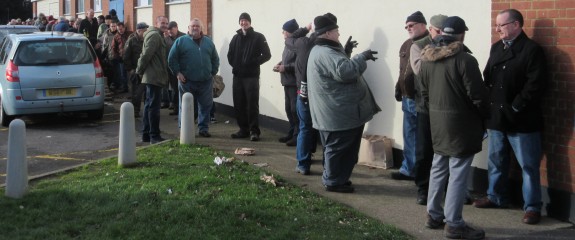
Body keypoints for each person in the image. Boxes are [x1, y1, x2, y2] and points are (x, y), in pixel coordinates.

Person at [473, 9, 548, 225]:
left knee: (528, 165)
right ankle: (496, 196)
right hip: (496, 117)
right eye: (496, 25)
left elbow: (536, 84)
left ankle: (532, 207)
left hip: (522, 120)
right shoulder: (497, 47)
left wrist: (516, 106)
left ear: (516, 25)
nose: (497, 29)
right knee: (496, 161)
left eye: (501, 25)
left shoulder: (532, 50)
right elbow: (488, 77)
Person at [419, 16, 488, 239]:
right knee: (458, 173)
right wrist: (485, 119)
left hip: (438, 123)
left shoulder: (427, 59)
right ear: (462, 34)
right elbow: (478, 96)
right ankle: (454, 223)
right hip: (462, 125)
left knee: (438, 167)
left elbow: (424, 94)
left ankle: (433, 215)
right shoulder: (465, 60)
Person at [307, 14, 380, 193]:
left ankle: (337, 178)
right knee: (338, 149)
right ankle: (333, 181)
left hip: (337, 113)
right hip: (338, 115)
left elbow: (336, 68)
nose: (339, 34)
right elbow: (345, 72)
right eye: (336, 31)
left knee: (339, 150)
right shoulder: (325, 52)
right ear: (328, 33)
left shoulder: (324, 50)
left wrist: (346, 52)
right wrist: (361, 57)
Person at [410, 14, 448, 205]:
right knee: (424, 150)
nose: (441, 35)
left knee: (448, 149)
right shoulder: (418, 46)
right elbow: (420, 71)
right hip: (426, 106)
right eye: (438, 31)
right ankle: (423, 189)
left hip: (447, 106)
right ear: (430, 29)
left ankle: (449, 189)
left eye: (444, 31)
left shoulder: (451, 43)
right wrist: (441, 54)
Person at [392, 11, 430, 181]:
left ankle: (421, 172)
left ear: (423, 25)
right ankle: (409, 169)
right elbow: (403, 70)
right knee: (408, 135)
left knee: (422, 138)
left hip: (421, 99)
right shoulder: (406, 44)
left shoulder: (430, 44)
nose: (408, 28)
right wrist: (398, 87)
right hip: (407, 97)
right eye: (406, 26)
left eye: (411, 25)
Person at [168, 18, 220, 138]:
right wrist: (177, 73)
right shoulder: (181, 41)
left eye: (197, 26)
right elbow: (171, 59)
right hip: (187, 81)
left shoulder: (208, 42)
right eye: (192, 26)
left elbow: (215, 59)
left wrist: (212, 72)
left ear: (201, 28)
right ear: (188, 28)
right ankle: (184, 129)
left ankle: (203, 129)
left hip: (205, 81)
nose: (195, 28)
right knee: (185, 106)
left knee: (206, 106)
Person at [227, 12, 272, 141]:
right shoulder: (235, 38)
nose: (243, 22)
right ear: (239, 22)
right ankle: (243, 130)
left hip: (251, 77)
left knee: (252, 104)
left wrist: (253, 63)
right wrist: (236, 65)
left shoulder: (258, 37)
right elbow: (230, 55)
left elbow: (267, 55)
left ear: (250, 22)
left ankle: (254, 131)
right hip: (238, 77)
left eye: (246, 20)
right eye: (241, 20)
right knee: (239, 104)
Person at [136, 16, 169, 144]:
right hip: (153, 77)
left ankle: (146, 134)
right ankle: (154, 136)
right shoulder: (155, 35)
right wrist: (139, 71)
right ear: (156, 23)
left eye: (166, 23)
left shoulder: (157, 35)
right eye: (162, 23)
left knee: (149, 106)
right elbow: (146, 55)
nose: (165, 25)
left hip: (153, 76)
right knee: (153, 108)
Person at [274, 19, 300, 147]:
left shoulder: (298, 44)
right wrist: (280, 64)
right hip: (286, 82)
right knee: (289, 110)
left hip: (294, 83)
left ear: (290, 32)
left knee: (295, 111)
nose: (283, 33)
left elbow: (300, 64)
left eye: (284, 31)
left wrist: (286, 67)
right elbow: (287, 59)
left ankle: (297, 136)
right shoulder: (288, 44)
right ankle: (291, 132)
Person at [124, 22, 148, 118]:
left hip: (146, 70)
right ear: (139, 30)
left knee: (147, 92)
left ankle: (147, 110)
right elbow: (126, 56)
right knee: (136, 93)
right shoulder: (131, 40)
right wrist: (130, 69)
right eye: (145, 30)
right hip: (135, 70)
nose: (146, 31)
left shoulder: (147, 39)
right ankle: (135, 111)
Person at [164, 21, 186, 115]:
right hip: (171, 68)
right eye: (168, 30)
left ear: (176, 27)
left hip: (182, 68)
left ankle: (182, 109)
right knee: (174, 88)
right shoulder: (166, 39)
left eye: (171, 29)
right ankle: (176, 107)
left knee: (181, 88)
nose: (170, 32)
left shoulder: (184, 37)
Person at [110, 22, 132, 93]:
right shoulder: (116, 37)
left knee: (132, 73)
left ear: (124, 28)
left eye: (121, 29)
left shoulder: (130, 34)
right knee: (123, 74)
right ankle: (125, 87)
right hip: (121, 58)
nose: (120, 31)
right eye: (119, 29)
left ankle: (133, 88)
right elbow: (113, 48)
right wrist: (117, 57)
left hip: (130, 57)